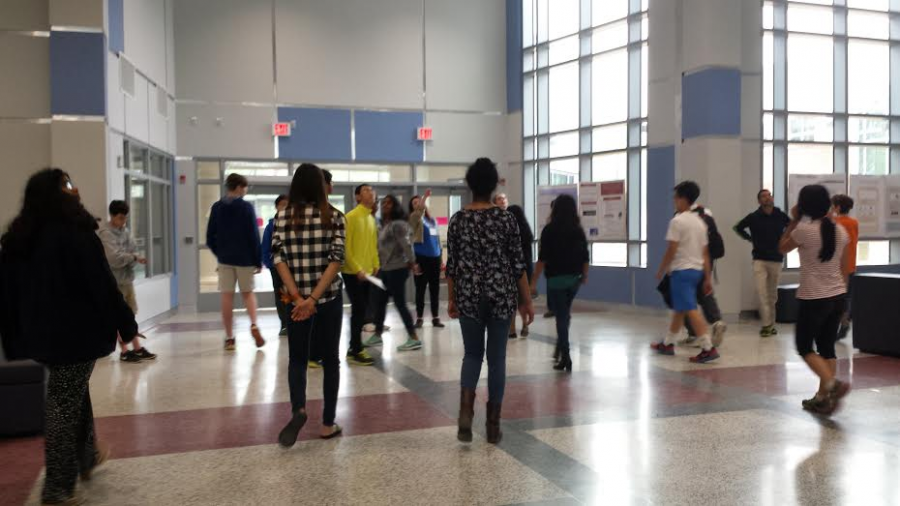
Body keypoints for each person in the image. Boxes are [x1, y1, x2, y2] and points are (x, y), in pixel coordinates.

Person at [0, 169, 139, 505]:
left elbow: (6, 293)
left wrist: (14, 334)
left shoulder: (18, 237)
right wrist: (126, 324)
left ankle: (87, 454)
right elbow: (102, 285)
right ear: (60, 193)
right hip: (77, 334)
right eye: (68, 184)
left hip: (40, 335)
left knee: (70, 387)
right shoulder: (77, 234)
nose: (75, 188)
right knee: (63, 402)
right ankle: (58, 487)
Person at [447, 158, 534, 445]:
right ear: (493, 184)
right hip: (500, 296)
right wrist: (527, 300)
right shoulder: (505, 218)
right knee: (497, 360)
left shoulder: (458, 220)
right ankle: (493, 425)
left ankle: (465, 413)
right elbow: (517, 264)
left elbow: (453, 267)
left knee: (472, 355)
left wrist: (452, 298)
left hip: (469, 295)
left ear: (470, 185)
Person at [272, 164, 346, 447]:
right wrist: (314, 299)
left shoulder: (281, 217)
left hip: (296, 301)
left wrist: (300, 298)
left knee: (298, 359)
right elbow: (336, 260)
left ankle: (299, 409)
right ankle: (328, 424)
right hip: (327, 299)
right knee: (331, 361)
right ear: (320, 186)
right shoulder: (335, 217)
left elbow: (278, 260)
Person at [778, 185, 851, 415]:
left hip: (814, 297)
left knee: (804, 347)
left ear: (803, 206)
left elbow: (781, 247)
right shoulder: (840, 231)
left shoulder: (803, 230)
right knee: (827, 347)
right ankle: (822, 398)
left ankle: (831, 384)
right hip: (837, 295)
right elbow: (844, 268)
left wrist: (794, 220)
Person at [651, 181, 720, 363]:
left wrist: (662, 269)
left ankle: (708, 347)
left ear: (682, 199)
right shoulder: (700, 222)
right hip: (696, 271)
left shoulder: (677, 221)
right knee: (680, 309)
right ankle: (668, 343)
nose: (674, 201)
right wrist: (706, 277)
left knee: (689, 309)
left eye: (675, 197)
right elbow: (705, 253)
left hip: (681, 272)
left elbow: (671, 249)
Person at [206, 173, 266, 351]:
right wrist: (257, 260)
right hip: (245, 259)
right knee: (248, 294)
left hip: (225, 259)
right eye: (245, 187)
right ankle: (254, 324)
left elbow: (210, 237)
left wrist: (221, 253)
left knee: (226, 296)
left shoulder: (217, 207)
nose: (246, 190)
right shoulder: (246, 207)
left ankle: (230, 337)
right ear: (239, 187)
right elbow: (253, 236)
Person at [530, 195, 588, 372]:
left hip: (555, 280)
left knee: (561, 318)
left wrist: (533, 281)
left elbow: (542, 259)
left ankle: (566, 357)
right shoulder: (577, 229)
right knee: (565, 314)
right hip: (574, 280)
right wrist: (584, 275)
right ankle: (560, 348)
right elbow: (585, 255)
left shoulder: (549, 230)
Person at [97, 200, 157, 363]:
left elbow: (133, 248)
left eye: (125, 218)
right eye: (121, 218)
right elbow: (113, 258)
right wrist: (132, 257)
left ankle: (137, 348)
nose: (123, 221)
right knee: (119, 316)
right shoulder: (105, 234)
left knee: (130, 315)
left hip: (127, 279)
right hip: (114, 282)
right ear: (112, 216)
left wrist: (132, 256)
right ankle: (124, 350)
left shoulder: (125, 231)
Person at [366, 194, 423, 352]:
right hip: (386, 269)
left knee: (400, 304)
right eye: (383, 203)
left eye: (389, 203)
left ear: (396, 206)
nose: (385, 206)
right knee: (380, 302)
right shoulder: (385, 224)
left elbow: (406, 245)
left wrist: (412, 262)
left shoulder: (398, 224)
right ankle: (377, 334)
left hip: (397, 269)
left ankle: (413, 338)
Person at [734, 189, 791, 337]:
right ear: (759, 201)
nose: (767, 198)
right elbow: (737, 227)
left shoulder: (780, 215)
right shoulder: (754, 217)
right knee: (762, 293)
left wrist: (785, 239)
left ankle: (771, 324)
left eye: (769, 195)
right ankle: (766, 325)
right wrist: (749, 238)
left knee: (772, 296)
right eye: (763, 196)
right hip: (759, 259)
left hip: (776, 259)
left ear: (772, 198)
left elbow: (792, 227)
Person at [342, 184, 379, 366]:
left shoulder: (371, 218)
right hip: (352, 273)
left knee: (363, 310)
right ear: (357, 197)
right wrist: (357, 268)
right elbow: (346, 248)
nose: (371, 193)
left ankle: (354, 347)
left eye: (372, 190)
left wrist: (375, 264)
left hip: (368, 273)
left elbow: (372, 245)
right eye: (366, 190)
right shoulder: (351, 217)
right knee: (359, 310)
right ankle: (355, 349)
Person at [409, 190, 445, 329]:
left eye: (419, 201)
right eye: (415, 203)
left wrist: (441, 258)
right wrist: (424, 197)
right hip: (421, 258)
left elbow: (437, 241)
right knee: (420, 289)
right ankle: (419, 318)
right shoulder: (414, 218)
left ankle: (436, 318)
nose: (418, 204)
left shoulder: (432, 221)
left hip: (434, 258)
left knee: (435, 289)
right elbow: (419, 212)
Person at [261, 195, 290, 338]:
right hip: (276, 268)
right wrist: (270, 264)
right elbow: (265, 248)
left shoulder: (294, 224)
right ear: (276, 207)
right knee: (281, 296)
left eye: (288, 205)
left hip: (293, 268)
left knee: (293, 294)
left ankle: (294, 322)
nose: (285, 207)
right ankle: (284, 324)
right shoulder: (271, 226)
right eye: (282, 204)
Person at [831, 194, 858, 340]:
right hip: (851, 265)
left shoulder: (834, 222)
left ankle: (839, 324)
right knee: (846, 297)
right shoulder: (854, 222)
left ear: (838, 207)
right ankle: (845, 322)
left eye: (833, 205)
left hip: (837, 266)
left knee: (835, 297)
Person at [508, 205, 534, 339]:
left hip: (511, 267)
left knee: (512, 298)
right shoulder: (526, 230)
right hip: (526, 267)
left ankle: (511, 329)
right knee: (523, 299)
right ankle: (525, 324)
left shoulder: (509, 230)